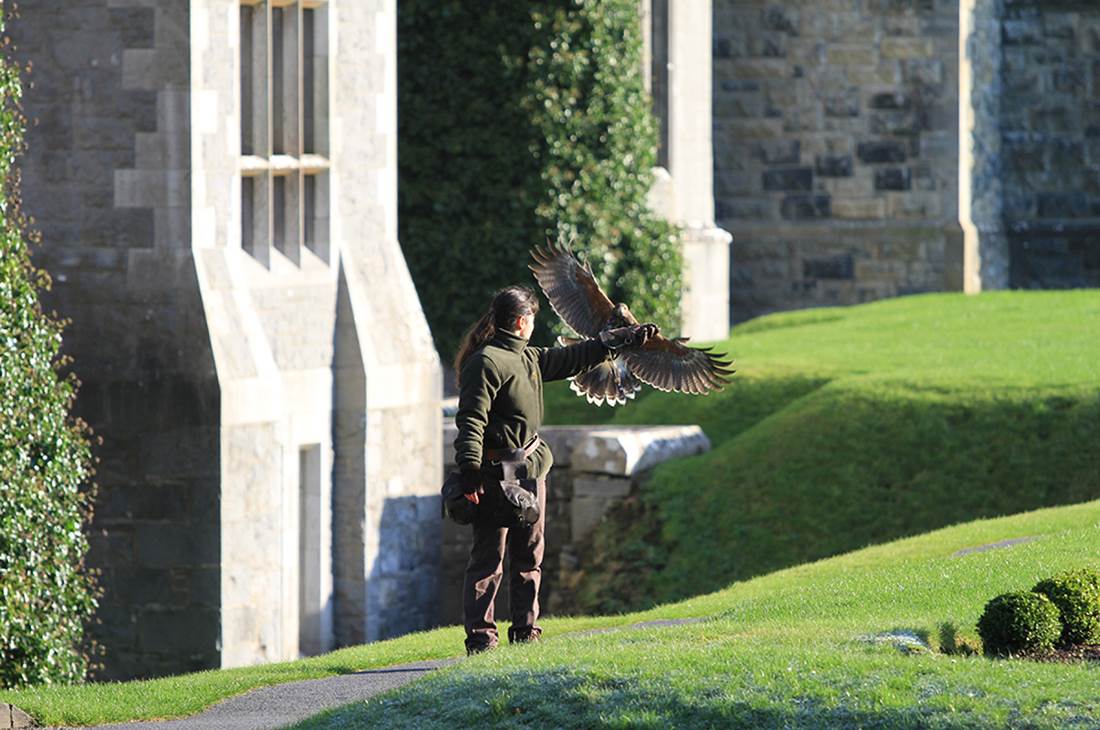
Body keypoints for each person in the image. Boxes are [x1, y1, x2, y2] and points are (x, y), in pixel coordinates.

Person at [453, 284, 657, 654]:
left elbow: (570, 359)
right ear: (520, 321)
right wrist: (468, 470)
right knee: (488, 560)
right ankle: (482, 641)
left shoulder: (527, 357)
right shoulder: (485, 362)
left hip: (531, 470)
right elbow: (470, 421)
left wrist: (619, 341)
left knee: (530, 557)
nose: (534, 324)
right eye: (532, 318)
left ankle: (525, 633)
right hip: (493, 474)